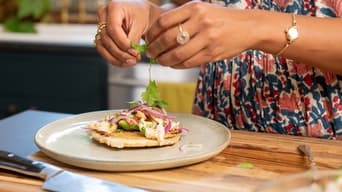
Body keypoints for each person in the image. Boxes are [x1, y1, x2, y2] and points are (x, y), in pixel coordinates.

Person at [94, 0, 342, 140]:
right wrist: (149, 14)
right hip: (214, 144)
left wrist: (257, 26)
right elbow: (199, 8)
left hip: (323, 157)